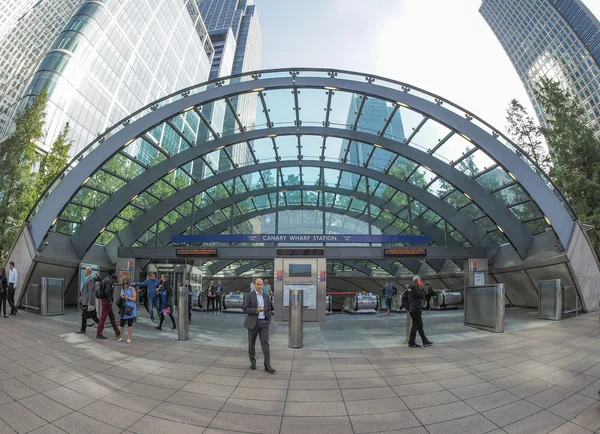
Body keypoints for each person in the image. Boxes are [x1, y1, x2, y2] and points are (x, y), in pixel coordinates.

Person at [243, 277, 275, 374]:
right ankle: (253, 362)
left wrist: (268, 318)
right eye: (258, 284)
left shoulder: (265, 296)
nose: (260, 286)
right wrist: (256, 310)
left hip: (264, 323)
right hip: (253, 323)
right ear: (254, 285)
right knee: (251, 345)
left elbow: (269, 307)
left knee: (265, 344)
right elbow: (245, 308)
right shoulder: (249, 295)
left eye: (261, 285)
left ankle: (267, 365)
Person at [407, 275, 433, 348]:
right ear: (418, 281)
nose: (421, 281)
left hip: (412, 308)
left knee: (420, 325)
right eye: (420, 280)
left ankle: (425, 341)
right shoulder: (415, 287)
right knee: (415, 326)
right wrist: (422, 288)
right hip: (416, 309)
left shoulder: (410, 287)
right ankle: (411, 342)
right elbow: (422, 296)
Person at [96, 269, 121, 340]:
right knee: (103, 317)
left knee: (111, 316)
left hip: (105, 301)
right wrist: (110, 300)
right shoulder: (109, 281)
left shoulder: (105, 280)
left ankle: (117, 331)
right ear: (112, 273)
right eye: (114, 274)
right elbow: (107, 291)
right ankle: (99, 333)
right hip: (107, 301)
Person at [77, 267, 99, 334]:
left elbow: (90, 291)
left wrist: (89, 301)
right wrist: (82, 296)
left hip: (87, 301)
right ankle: (83, 329)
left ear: (88, 272)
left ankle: (100, 324)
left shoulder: (90, 279)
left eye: (85, 271)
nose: (84, 272)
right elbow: (85, 290)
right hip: (84, 300)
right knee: (85, 315)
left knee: (91, 315)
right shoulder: (87, 279)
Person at [119, 278, 136, 343]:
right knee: (121, 323)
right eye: (124, 284)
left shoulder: (132, 289)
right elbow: (120, 295)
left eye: (126, 283)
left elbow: (134, 299)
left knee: (129, 323)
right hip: (123, 307)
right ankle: (122, 337)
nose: (125, 285)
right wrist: (122, 296)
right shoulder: (122, 289)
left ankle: (129, 338)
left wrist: (127, 298)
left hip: (130, 307)